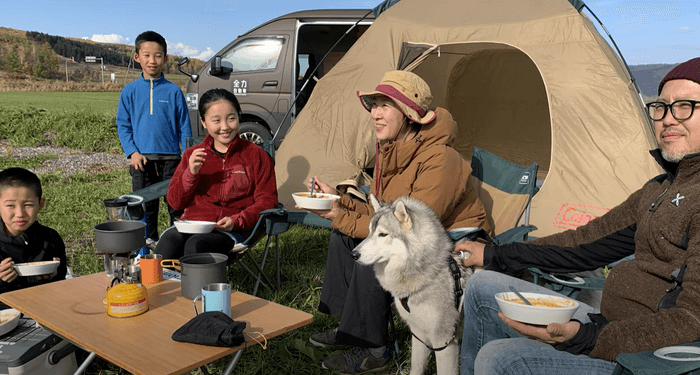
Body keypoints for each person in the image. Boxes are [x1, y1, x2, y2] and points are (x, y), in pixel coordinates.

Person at [456, 57, 700, 375]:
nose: (668, 119)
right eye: (662, 107)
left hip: (652, 358)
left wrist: (585, 337)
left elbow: (692, 322)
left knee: (500, 358)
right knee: (483, 285)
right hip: (612, 325)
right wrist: (494, 253)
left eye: (685, 106)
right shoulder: (659, 189)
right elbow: (584, 243)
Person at [299, 70, 490, 374]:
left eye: (385, 106)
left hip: (453, 240)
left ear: (409, 114)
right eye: (374, 105)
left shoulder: (440, 158)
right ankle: (348, 328)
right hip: (411, 235)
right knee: (344, 238)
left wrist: (341, 217)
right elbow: (381, 214)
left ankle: (372, 349)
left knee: (377, 254)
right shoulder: (390, 151)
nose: (375, 113)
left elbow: (410, 228)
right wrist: (338, 201)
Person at [154, 88, 278, 259]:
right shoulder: (192, 154)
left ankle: (197, 286)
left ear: (238, 117)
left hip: (233, 229)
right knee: (168, 243)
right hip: (193, 224)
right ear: (203, 122)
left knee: (196, 246)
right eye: (216, 120)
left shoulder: (256, 155)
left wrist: (238, 220)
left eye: (231, 118)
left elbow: (268, 201)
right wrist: (190, 174)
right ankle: (162, 286)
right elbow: (175, 203)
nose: (225, 127)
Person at [116, 30, 192, 242]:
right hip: (142, 160)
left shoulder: (173, 91)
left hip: (171, 159)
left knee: (176, 203)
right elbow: (123, 125)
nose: (152, 61)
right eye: (147, 55)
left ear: (165, 59)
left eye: (158, 56)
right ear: (137, 57)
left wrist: (185, 157)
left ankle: (176, 244)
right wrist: (132, 152)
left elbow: (185, 126)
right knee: (144, 207)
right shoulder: (129, 92)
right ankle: (147, 248)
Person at [0, 168, 67, 309]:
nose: (20, 213)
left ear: (40, 204)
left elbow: (62, 278)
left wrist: (54, 274)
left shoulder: (50, 238)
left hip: (43, 308)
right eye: (10, 205)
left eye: (28, 205)